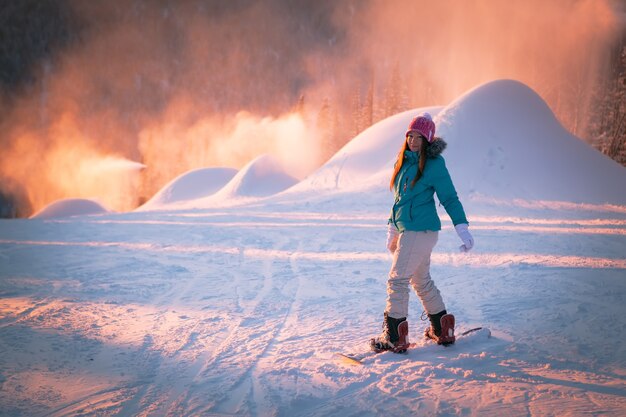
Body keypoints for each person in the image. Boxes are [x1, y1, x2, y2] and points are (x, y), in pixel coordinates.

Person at [370, 112, 474, 353]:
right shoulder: (405, 162)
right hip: (413, 231)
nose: (413, 141)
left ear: (428, 139)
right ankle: (442, 328)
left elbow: (449, 197)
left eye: (419, 136)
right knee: (420, 280)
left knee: (397, 280)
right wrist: (392, 228)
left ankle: (394, 336)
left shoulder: (434, 164)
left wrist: (462, 226)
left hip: (419, 231)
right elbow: (400, 201)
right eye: (410, 135)